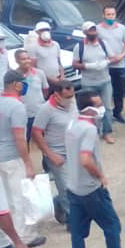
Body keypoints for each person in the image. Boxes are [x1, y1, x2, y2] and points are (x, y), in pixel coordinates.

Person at [0, 69, 45, 248]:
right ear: (16, 84)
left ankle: (5, 235)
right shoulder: (17, 107)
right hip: (13, 158)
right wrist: (28, 163)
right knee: (20, 198)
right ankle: (24, 237)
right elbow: (19, 138)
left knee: (3, 199)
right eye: (23, 83)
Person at [64, 89, 125, 248]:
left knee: (77, 232)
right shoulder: (89, 129)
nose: (102, 108)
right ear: (89, 108)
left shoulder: (72, 123)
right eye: (98, 105)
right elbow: (85, 159)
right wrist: (100, 176)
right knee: (112, 225)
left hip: (73, 187)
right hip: (91, 189)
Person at [32, 80, 78, 223]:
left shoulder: (72, 104)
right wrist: (50, 154)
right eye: (67, 97)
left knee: (76, 185)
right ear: (57, 95)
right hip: (57, 154)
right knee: (66, 188)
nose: (70, 99)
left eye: (72, 96)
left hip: (73, 151)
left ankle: (58, 205)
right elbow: (36, 133)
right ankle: (72, 221)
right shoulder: (46, 109)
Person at [73, 21, 115, 144]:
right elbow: (74, 64)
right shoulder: (79, 47)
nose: (93, 32)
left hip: (105, 80)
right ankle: (92, 132)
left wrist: (106, 62)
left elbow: (113, 57)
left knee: (107, 108)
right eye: (90, 30)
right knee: (89, 109)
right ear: (85, 32)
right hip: (88, 82)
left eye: (94, 29)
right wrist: (87, 66)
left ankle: (107, 132)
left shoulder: (103, 43)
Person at [97, 6, 125, 124]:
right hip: (105, 65)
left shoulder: (122, 28)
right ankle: (103, 114)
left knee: (119, 91)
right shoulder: (98, 29)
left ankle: (118, 113)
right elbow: (95, 44)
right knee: (103, 91)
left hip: (119, 64)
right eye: (108, 14)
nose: (111, 16)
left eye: (113, 14)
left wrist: (122, 55)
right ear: (103, 15)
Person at [14, 49, 48, 139]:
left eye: (28, 58)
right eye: (23, 59)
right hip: (24, 114)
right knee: (25, 139)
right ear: (17, 61)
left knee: (45, 140)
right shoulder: (13, 76)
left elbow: (45, 90)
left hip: (40, 112)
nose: (27, 61)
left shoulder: (39, 73)